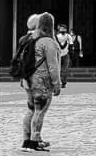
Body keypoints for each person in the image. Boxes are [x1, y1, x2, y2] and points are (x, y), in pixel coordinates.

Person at [17, 13, 62, 152]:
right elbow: (53, 66)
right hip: (41, 82)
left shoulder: (27, 39)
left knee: (31, 110)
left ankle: (26, 140)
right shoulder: (47, 42)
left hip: (27, 80)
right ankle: (34, 141)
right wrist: (57, 83)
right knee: (39, 111)